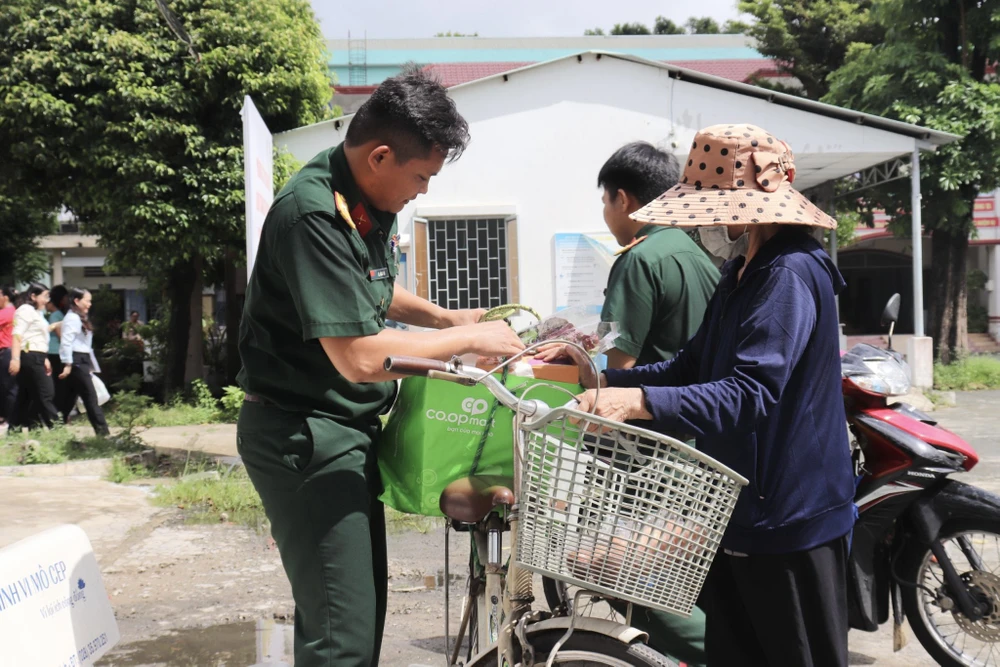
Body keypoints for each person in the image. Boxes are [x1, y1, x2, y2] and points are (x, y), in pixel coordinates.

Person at [236, 67, 524, 667]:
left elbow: (369, 288)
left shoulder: (363, 196)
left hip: (341, 432)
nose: (423, 191)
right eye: (420, 176)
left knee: (357, 617)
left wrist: (445, 319)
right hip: (306, 434)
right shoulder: (313, 214)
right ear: (381, 155)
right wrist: (471, 338)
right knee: (341, 636)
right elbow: (362, 357)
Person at [572, 125, 854, 667]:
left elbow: (749, 394)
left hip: (791, 515)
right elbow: (694, 364)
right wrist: (605, 382)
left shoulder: (789, 272)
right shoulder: (743, 267)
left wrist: (639, 404)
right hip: (743, 504)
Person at [537, 141, 719, 667]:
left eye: (605, 202)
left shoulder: (640, 259)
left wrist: (570, 358)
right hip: (695, 440)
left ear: (623, 198)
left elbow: (622, 364)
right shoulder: (697, 256)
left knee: (637, 577)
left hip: (645, 450)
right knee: (686, 567)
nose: (605, 213)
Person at [9, 283, 60, 431]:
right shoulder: (25, 310)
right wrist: (15, 359)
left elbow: (36, 336)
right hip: (29, 357)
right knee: (46, 393)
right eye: (44, 296)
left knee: (25, 397)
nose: (47, 300)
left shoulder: (37, 312)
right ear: (33, 296)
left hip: (37, 356)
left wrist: (44, 358)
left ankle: (16, 429)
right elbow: (17, 335)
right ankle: (57, 429)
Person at [59, 288, 110, 436]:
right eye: (87, 300)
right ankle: (103, 434)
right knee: (90, 398)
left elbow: (85, 346)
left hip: (81, 360)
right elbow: (66, 342)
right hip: (76, 361)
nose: (89, 304)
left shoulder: (78, 317)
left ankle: (54, 427)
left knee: (68, 399)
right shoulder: (72, 319)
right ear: (76, 301)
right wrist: (68, 364)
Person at [46, 285, 69, 420]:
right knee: (58, 385)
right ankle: (57, 414)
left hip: (57, 353)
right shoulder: (56, 315)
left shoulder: (59, 314)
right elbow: (61, 336)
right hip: (55, 353)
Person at [0, 286, 17, 427]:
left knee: (8, 388)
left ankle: (9, 419)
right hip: (11, 351)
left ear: (5, 297)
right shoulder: (14, 312)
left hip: (6, 352)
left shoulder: (6, 313)